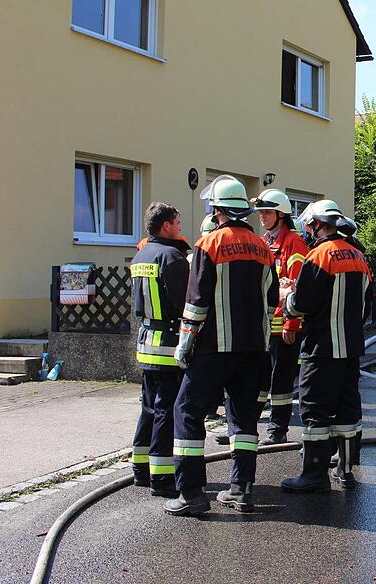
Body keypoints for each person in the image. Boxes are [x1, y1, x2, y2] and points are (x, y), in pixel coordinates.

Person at [166, 176, 278, 516]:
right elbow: (272, 302)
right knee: (243, 421)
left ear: (216, 209)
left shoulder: (208, 244)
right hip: (254, 350)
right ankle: (241, 491)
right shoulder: (262, 247)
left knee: (186, 411)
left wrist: (185, 343)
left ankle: (192, 494)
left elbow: (196, 301)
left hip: (214, 348)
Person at [281, 200, 372, 492]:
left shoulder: (319, 255)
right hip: (352, 347)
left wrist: (285, 297)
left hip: (321, 348)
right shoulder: (359, 256)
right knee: (347, 409)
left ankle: (314, 474)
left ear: (316, 225)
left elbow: (302, 304)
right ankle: (345, 472)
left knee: (314, 409)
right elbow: (367, 305)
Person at [130, 203, 190, 498]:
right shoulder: (172, 257)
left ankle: (140, 468)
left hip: (146, 342)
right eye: (177, 222)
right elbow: (184, 302)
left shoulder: (141, 255)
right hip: (168, 345)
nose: (180, 226)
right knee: (166, 410)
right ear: (166, 225)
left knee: (148, 408)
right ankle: (162, 476)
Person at [250, 188, 309, 446]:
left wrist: (291, 324)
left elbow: (297, 288)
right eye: (261, 212)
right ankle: (246, 426)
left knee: (280, 379)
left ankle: (277, 430)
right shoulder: (265, 241)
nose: (262, 216)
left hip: (283, 325)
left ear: (281, 215)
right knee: (259, 378)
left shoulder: (293, 244)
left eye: (267, 212)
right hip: (264, 324)